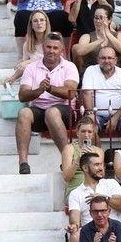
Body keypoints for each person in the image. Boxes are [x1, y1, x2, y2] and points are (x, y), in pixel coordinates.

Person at [14, 34, 78, 174]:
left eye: (55, 48)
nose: (51, 50)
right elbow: (22, 95)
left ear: (61, 50)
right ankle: (23, 163)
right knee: (24, 113)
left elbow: (70, 93)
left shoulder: (69, 66)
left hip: (64, 111)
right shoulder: (31, 68)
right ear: (43, 47)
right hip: (39, 109)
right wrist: (39, 90)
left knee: (52, 112)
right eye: (48, 47)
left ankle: (66, 159)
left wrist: (49, 88)